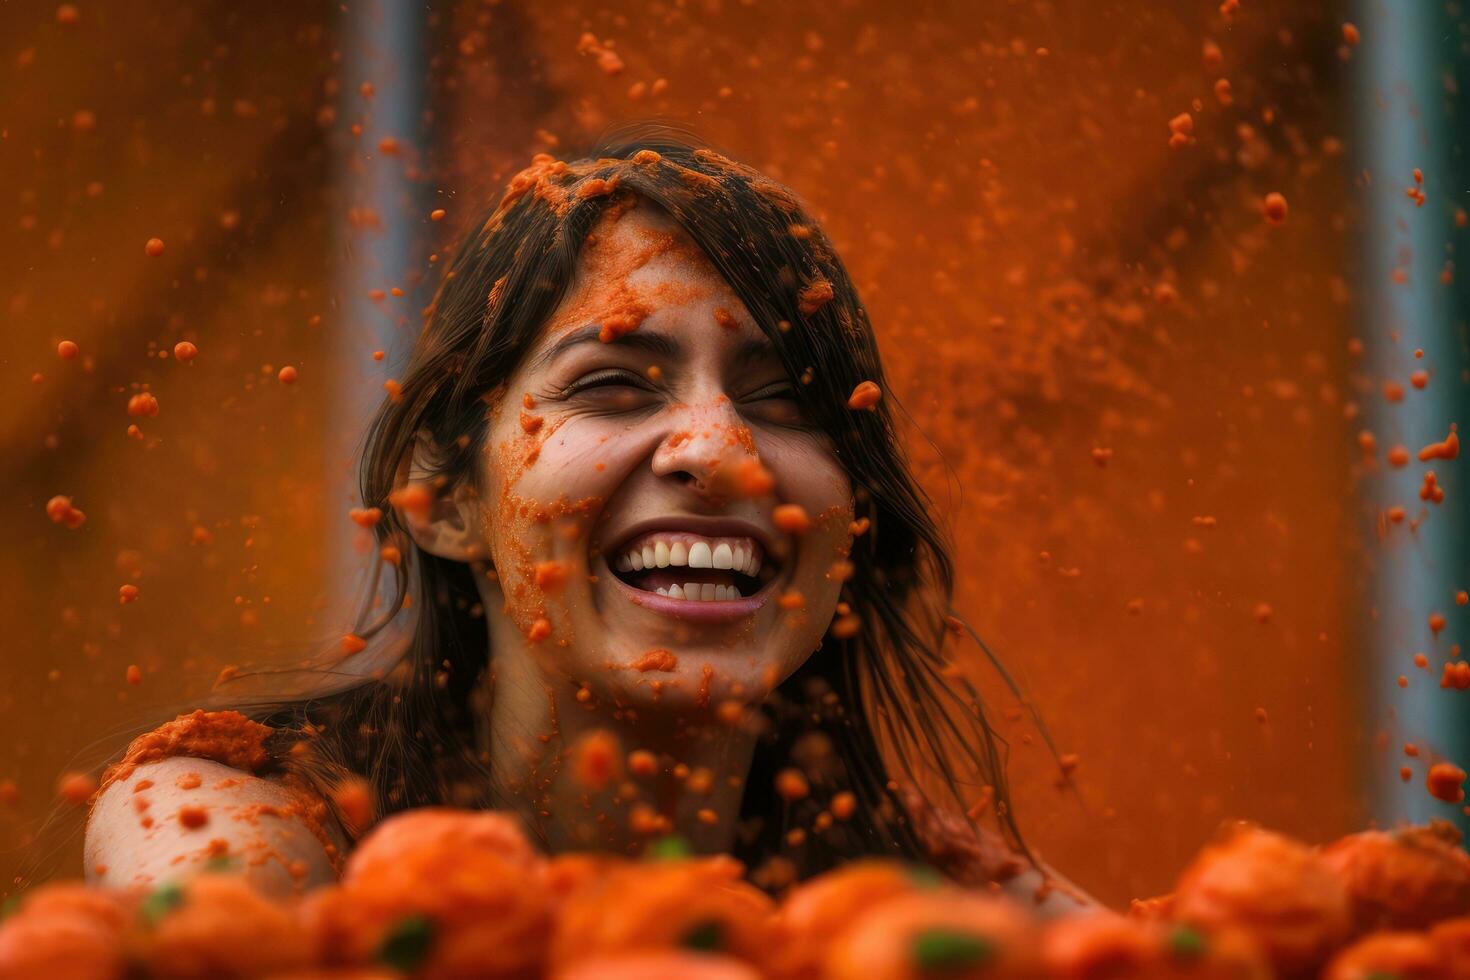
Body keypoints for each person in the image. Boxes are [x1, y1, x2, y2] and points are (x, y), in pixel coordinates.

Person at [84, 127, 1094, 914]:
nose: (720, 448)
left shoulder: (922, 900)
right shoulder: (240, 817)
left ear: (853, 520)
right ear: (445, 499)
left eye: (786, 399)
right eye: (612, 385)